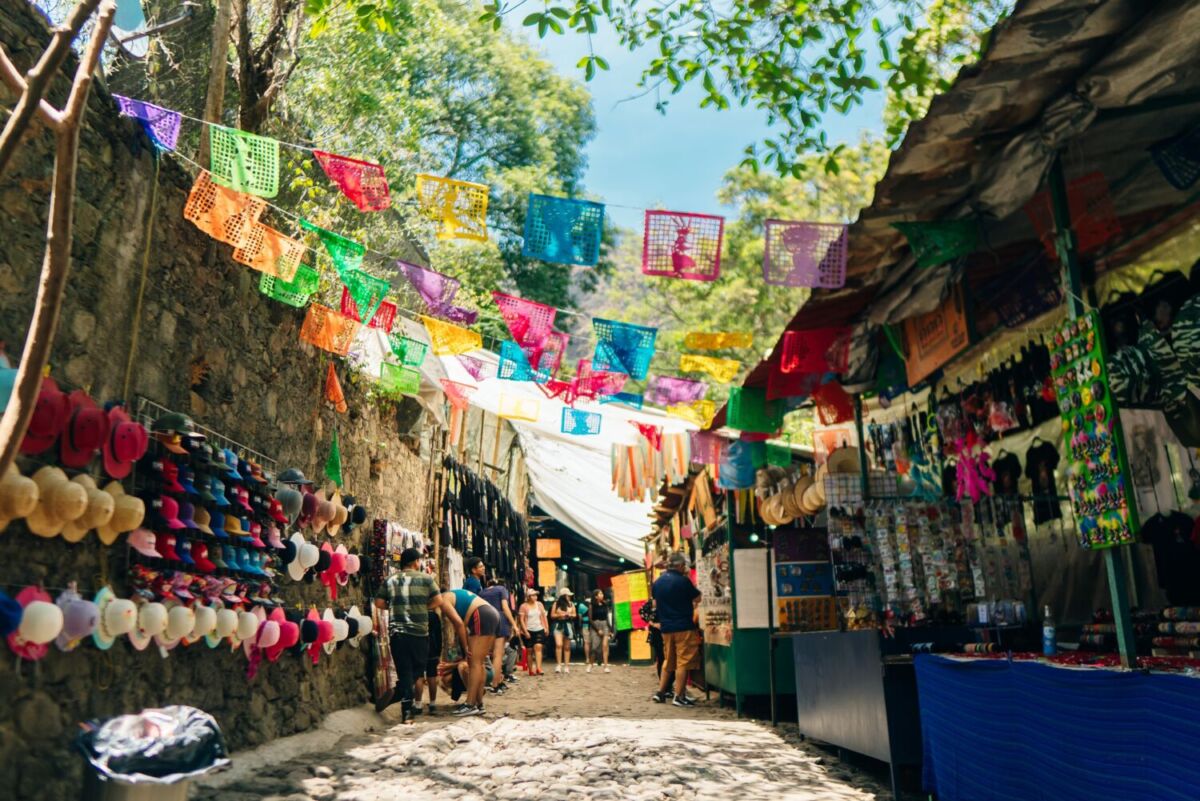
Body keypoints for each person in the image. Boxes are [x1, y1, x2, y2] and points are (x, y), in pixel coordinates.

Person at [374, 548, 460, 724]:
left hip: (397, 633)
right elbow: (438, 601)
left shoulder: (390, 580)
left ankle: (401, 696)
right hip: (419, 633)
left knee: (404, 670)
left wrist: (397, 606)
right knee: (417, 670)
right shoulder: (427, 579)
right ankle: (404, 706)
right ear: (415, 562)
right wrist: (420, 606)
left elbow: (379, 602)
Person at [436, 587, 500, 716]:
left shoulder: (443, 600)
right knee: (479, 663)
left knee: (474, 663)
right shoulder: (453, 594)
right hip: (490, 613)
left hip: (481, 614)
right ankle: (479, 704)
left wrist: (466, 647)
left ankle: (470, 704)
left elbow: (459, 624)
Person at [651, 552, 701, 707]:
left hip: (666, 628)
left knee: (669, 660)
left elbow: (654, 604)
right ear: (680, 566)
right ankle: (679, 696)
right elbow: (698, 598)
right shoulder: (683, 581)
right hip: (683, 627)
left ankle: (660, 693)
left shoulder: (658, 582)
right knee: (683, 662)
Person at [480, 578, 517, 695]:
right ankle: (495, 684)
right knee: (498, 654)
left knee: (486, 654)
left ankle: (485, 682)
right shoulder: (502, 589)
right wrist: (514, 624)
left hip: (486, 620)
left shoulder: (482, 592)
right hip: (499, 619)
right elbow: (505, 607)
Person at [413, 607, 442, 715]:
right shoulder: (434, 616)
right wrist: (439, 651)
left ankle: (418, 705)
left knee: (419, 675)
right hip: (433, 648)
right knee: (432, 676)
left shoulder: (416, 613)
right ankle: (433, 704)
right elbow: (439, 635)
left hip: (419, 646)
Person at [518, 588, 548, 675]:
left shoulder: (539, 604)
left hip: (539, 628)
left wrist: (546, 627)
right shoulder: (523, 606)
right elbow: (522, 620)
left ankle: (539, 668)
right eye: (533, 595)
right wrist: (525, 631)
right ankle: (531, 670)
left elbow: (543, 616)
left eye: (536, 595)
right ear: (528, 596)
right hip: (528, 630)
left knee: (538, 647)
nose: (535, 597)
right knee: (529, 650)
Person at [550, 589, 578, 673]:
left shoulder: (571, 604)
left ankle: (566, 665)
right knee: (559, 644)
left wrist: (569, 615)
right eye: (568, 595)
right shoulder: (556, 604)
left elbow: (574, 614)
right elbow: (552, 615)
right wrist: (560, 614)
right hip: (558, 624)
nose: (569, 597)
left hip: (568, 624)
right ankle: (559, 664)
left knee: (567, 647)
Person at [587, 589, 613, 673]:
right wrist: (597, 630)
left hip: (604, 625)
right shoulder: (591, 605)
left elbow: (606, 617)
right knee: (594, 647)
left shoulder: (605, 604)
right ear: (596, 596)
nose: (602, 595)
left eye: (602, 593)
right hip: (595, 625)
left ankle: (605, 666)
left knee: (605, 645)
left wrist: (610, 629)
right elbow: (590, 619)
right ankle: (591, 664)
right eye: (600, 594)